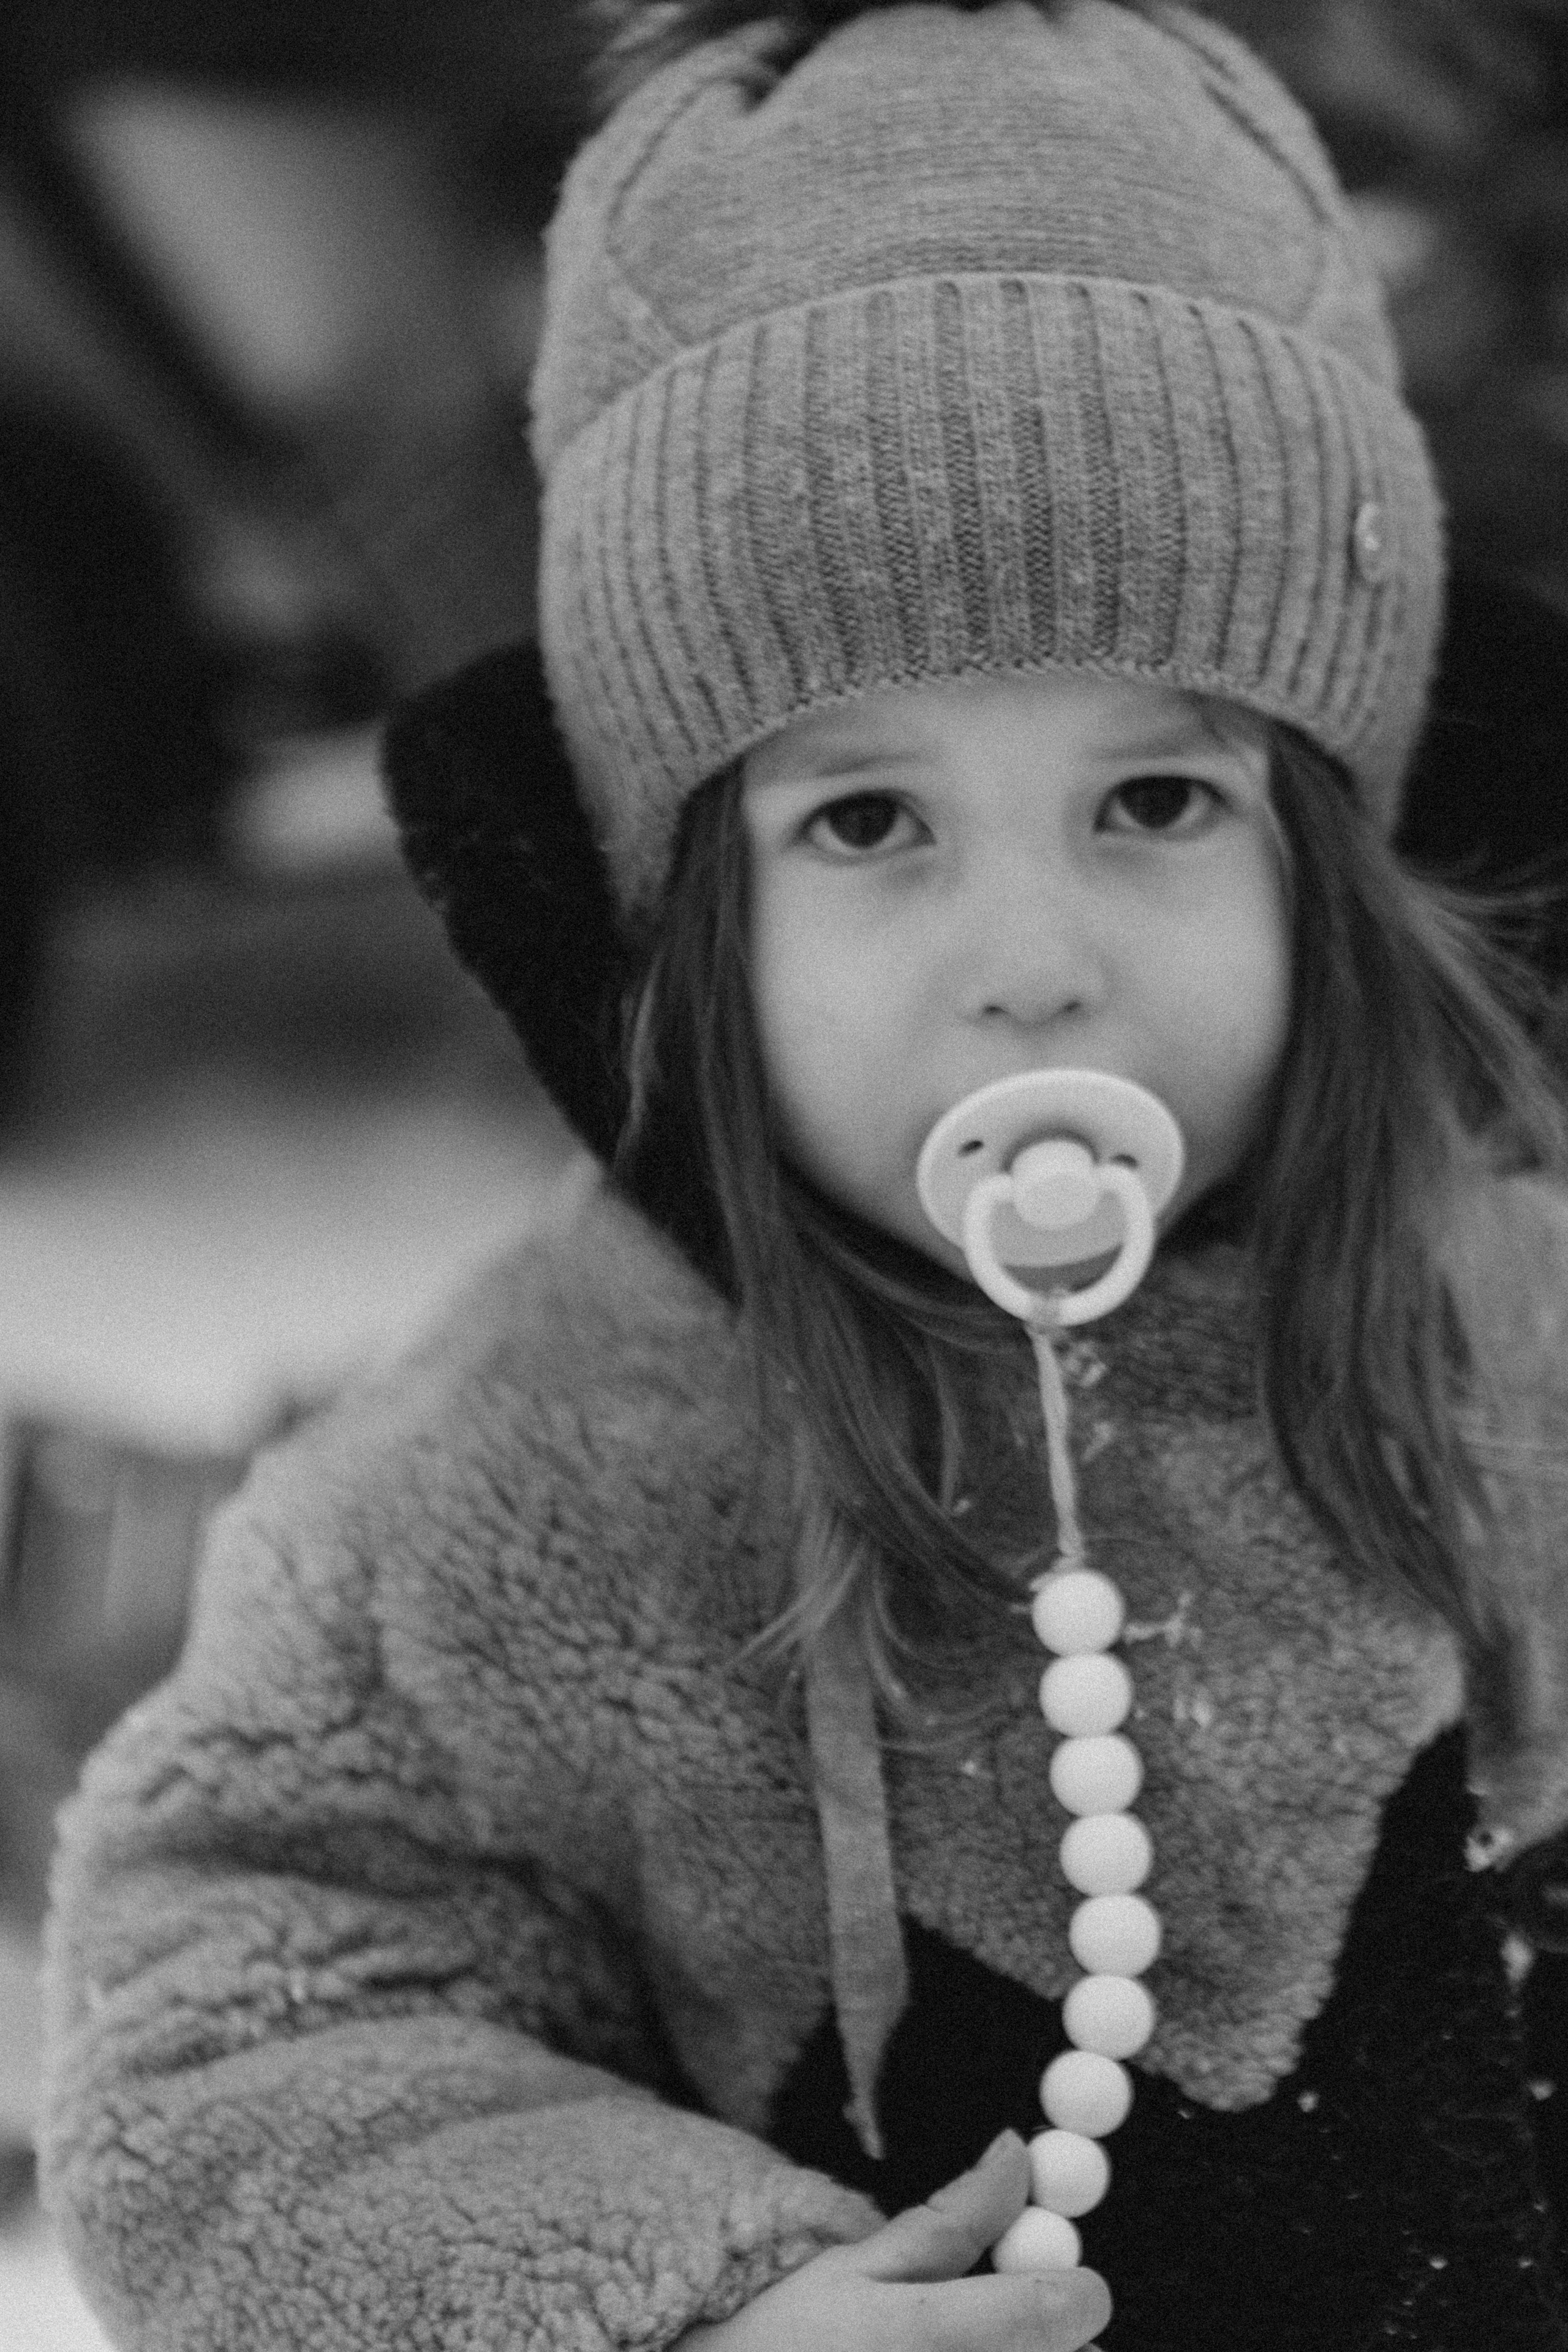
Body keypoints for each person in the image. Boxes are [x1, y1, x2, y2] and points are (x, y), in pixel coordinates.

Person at [39, 2, 1568, 2346]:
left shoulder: (1526, 1318)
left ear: (1326, 859)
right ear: (687, 919)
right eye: (868, 821)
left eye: (1155, 802)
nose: (1031, 965)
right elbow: (243, 2022)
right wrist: (685, 2309)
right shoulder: (538, 1476)